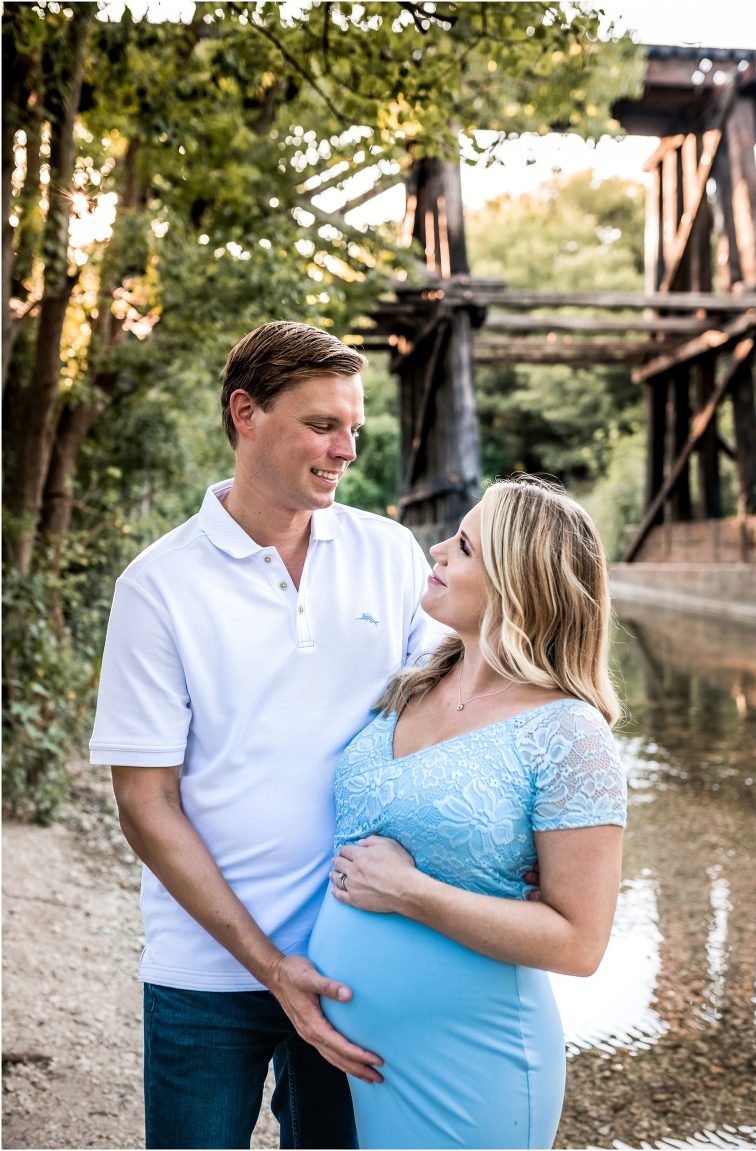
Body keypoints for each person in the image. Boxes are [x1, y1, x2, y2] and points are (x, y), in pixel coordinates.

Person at [89, 320, 445, 1150]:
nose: (346, 448)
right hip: (205, 971)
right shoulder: (157, 588)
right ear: (245, 413)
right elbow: (146, 805)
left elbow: (442, 733)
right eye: (323, 424)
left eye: (353, 426)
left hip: (357, 957)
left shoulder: (389, 555)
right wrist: (267, 964)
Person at [307, 475, 627, 1150]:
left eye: (464, 547)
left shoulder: (569, 732)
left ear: (519, 583)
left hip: (472, 1066)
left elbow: (580, 942)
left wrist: (411, 892)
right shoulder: (413, 680)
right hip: (351, 1053)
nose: (438, 549)